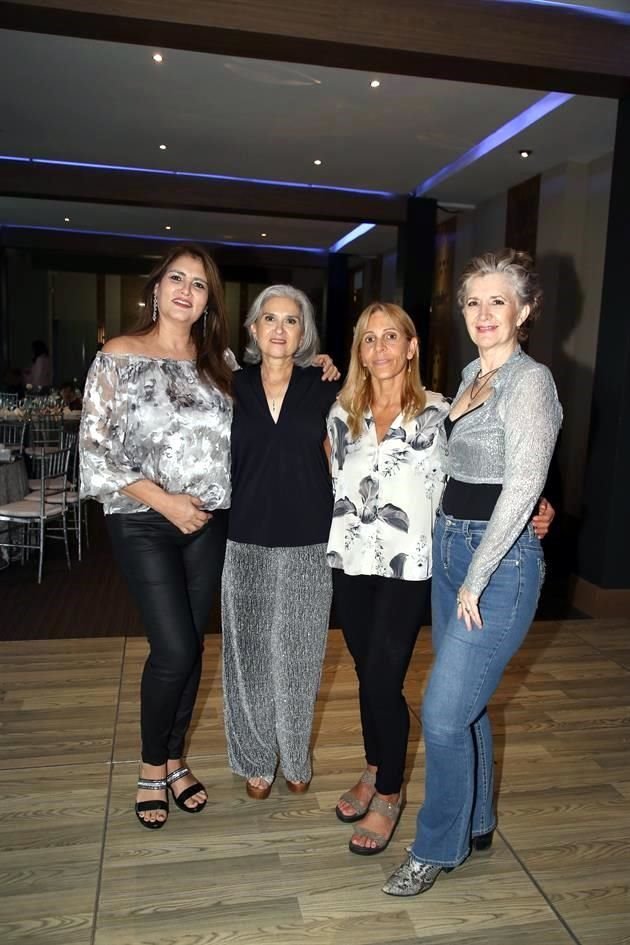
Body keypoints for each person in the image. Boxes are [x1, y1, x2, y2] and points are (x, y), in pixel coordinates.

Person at [383, 249, 562, 896]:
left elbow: (523, 486)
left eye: (497, 301)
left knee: (438, 713)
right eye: (472, 302)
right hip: (450, 546)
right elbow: (448, 460)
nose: (483, 314)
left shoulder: (531, 381)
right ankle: (478, 818)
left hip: (499, 562)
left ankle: (437, 845)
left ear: (524, 308)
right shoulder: (465, 374)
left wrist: (477, 576)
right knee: (467, 704)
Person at [80, 243, 233, 829]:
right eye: (177, 278)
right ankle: (150, 766)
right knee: (172, 648)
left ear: (206, 301)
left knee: (192, 647)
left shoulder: (218, 363)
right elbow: (94, 451)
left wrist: (316, 365)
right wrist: (167, 503)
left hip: (205, 523)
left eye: (198, 284)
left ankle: (174, 758)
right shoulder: (119, 354)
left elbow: (274, 389)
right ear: (157, 287)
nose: (185, 291)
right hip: (143, 520)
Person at [327, 302, 449, 855]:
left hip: (408, 567)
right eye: (369, 339)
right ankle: (375, 767)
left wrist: (541, 505)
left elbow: (485, 472)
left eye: (391, 336)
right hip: (351, 564)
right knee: (363, 669)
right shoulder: (340, 416)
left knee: (382, 678)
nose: (380, 348)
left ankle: (392, 792)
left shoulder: (441, 415)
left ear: (411, 346)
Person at [221, 285, 339, 798]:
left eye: (291, 321)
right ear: (252, 329)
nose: (278, 329)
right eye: (269, 319)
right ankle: (255, 758)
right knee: (247, 655)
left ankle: (294, 753)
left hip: (309, 538)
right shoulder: (228, 384)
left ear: (303, 333)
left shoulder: (324, 384)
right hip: (243, 535)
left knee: (300, 654)